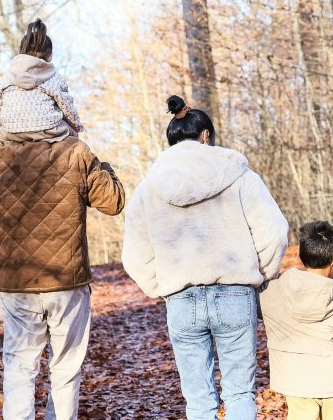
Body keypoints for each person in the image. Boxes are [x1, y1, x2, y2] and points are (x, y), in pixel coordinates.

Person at [121, 95, 290, 419]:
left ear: (170, 141)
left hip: (181, 299)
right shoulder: (240, 176)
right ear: (205, 136)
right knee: (240, 395)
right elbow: (274, 232)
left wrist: (161, 285)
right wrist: (261, 274)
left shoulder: (149, 188)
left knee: (199, 402)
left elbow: (134, 254)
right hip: (235, 293)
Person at [0, 115, 125, 418]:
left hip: (16, 282)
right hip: (67, 282)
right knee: (65, 367)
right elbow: (113, 202)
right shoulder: (75, 151)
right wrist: (104, 169)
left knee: (20, 366)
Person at [260, 221, 333, 420]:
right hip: (332, 383)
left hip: (294, 380)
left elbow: (253, 303)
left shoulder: (274, 292)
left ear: (298, 256)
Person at [0, 18, 83, 143]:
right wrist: (77, 126)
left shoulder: (5, 78)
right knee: (73, 135)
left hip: (11, 132)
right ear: (50, 56)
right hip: (48, 130)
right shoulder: (55, 78)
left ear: (21, 53)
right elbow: (67, 107)